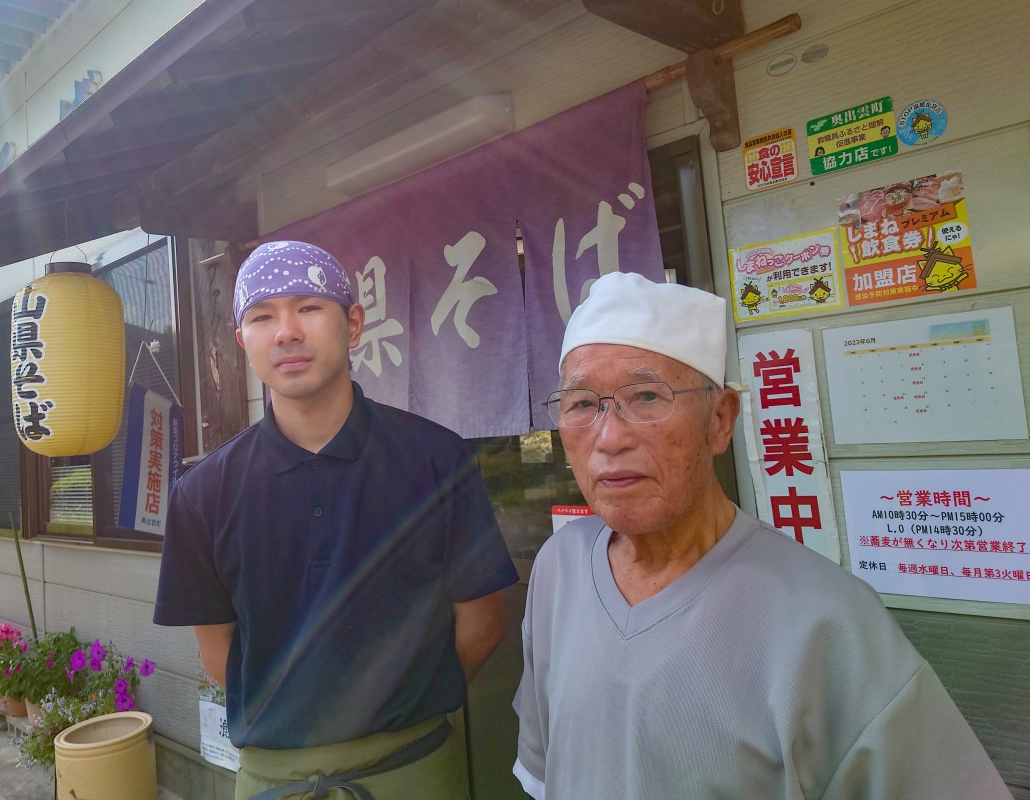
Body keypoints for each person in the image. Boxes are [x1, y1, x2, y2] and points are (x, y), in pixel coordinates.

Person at [513, 272, 1010, 799]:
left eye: (647, 396)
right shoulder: (559, 567)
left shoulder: (826, 619)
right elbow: (546, 773)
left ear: (721, 420)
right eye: (583, 405)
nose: (609, 438)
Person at [155, 240, 517, 800]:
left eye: (308, 307)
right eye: (262, 316)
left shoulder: (436, 460)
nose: (286, 332)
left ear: (353, 324)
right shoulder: (203, 493)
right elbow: (215, 650)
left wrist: (402, 707)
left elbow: (482, 622)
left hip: (415, 769)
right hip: (272, 781)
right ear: (242, 341)